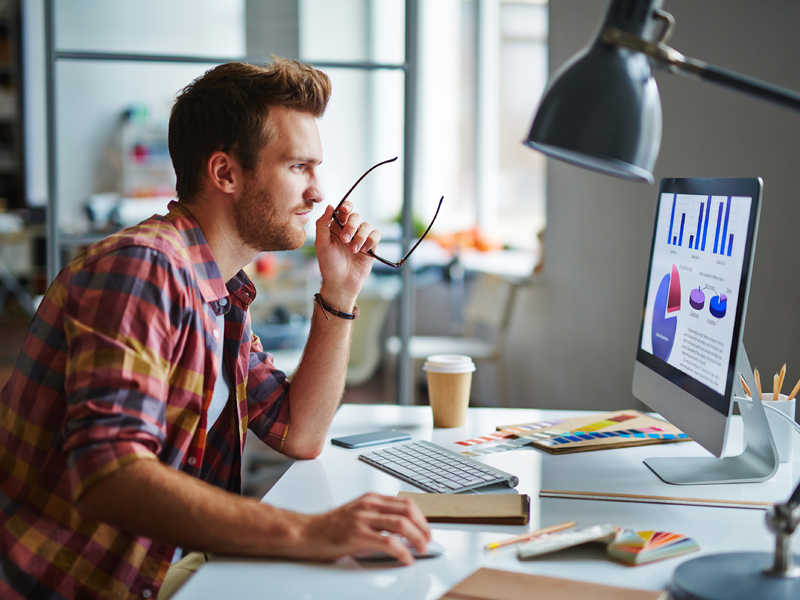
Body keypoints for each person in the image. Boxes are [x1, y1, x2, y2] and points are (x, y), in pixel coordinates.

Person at [0, 58, 430, 600]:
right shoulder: (144, 268)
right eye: (299, 167)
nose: (319, 193)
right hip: (72, 583)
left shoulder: (221, 291)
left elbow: (299, 432)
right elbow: (110, 474)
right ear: (225, 173)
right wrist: (308, 531)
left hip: (157, 569)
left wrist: (340, 290)